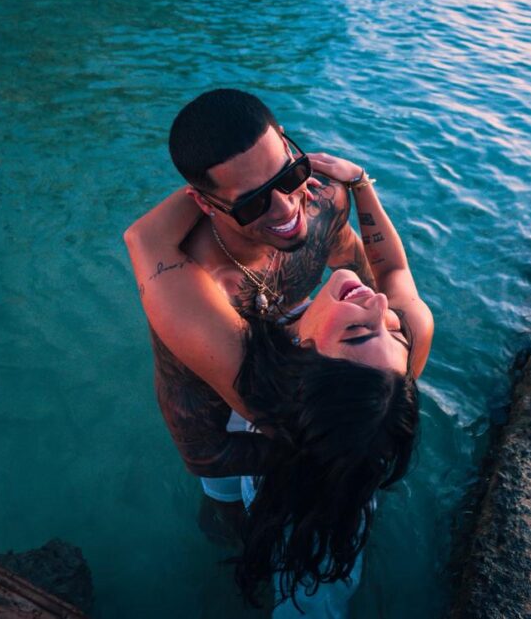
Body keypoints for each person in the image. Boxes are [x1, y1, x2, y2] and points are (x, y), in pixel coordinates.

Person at [133, 146, 433, 616]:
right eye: (392, 331)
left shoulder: (250, 377)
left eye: (359, 331)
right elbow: (393, 270)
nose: (378, 303)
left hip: (318, 500)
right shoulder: (406, 347)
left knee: (311, 589)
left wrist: (235, 187)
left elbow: (144, 239)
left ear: (304, 363)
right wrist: (360, 183)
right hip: (347, 459)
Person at [124, 89, 375, 505]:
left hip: (296, 356)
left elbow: (368, 277)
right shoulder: (194, 289)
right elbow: (204, 451)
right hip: (230, 416)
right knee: (230, 517)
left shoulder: (322, 204)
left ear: (290, 149)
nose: (286, 209)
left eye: (289, 176)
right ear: (204, 204)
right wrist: (321, 463)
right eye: (252, 203)